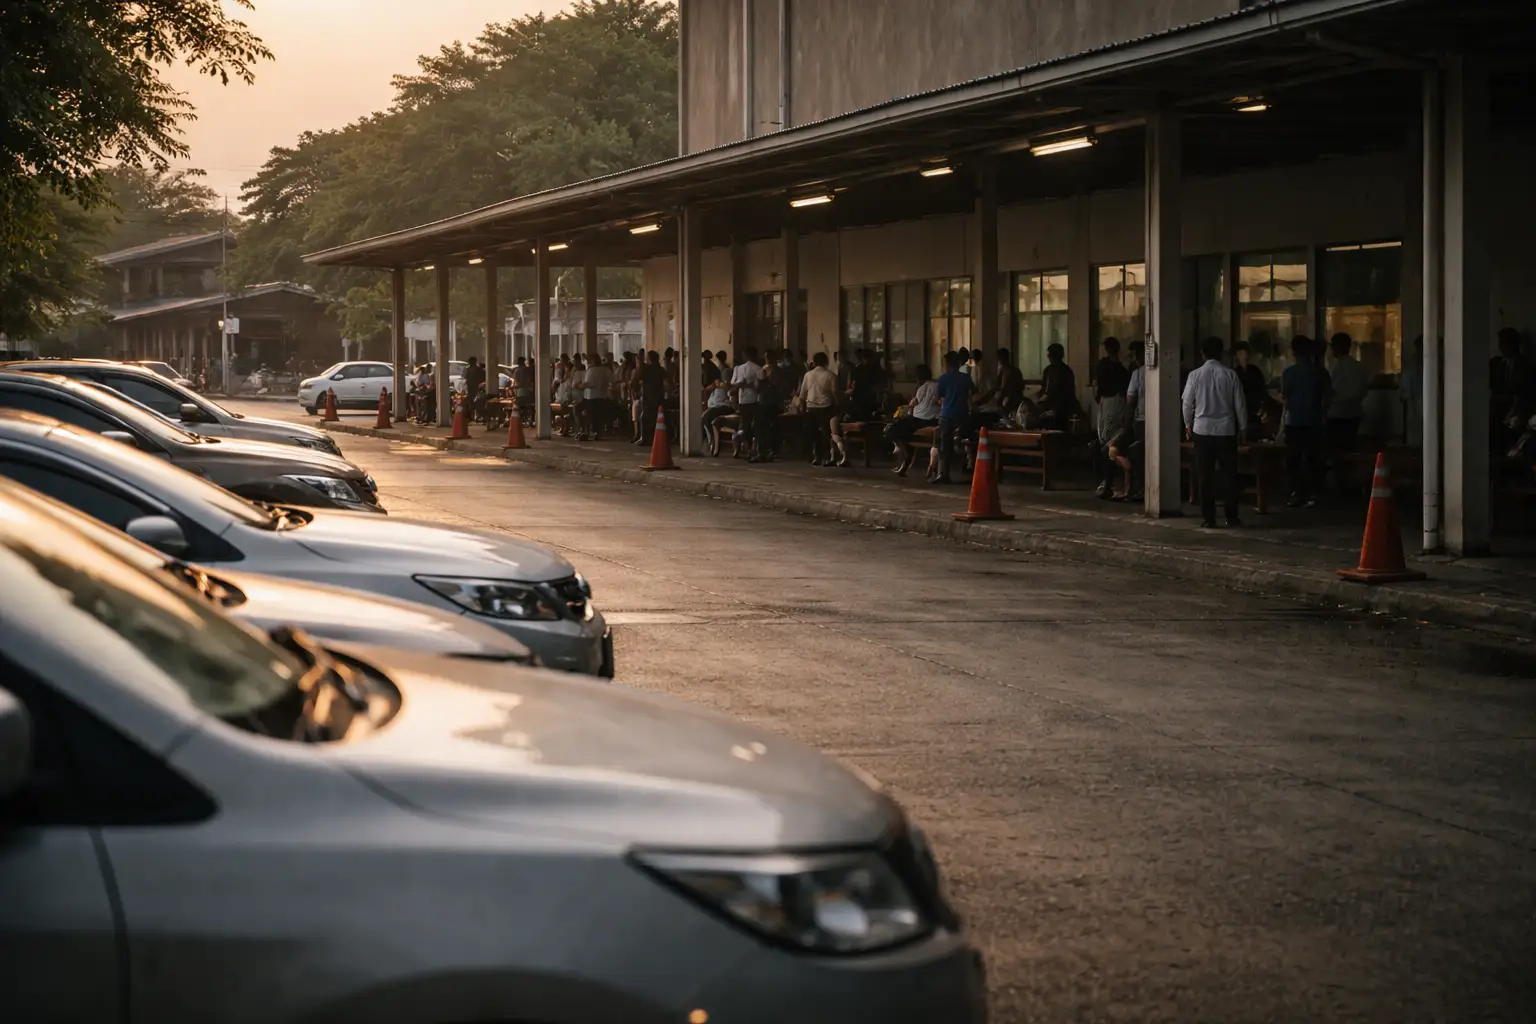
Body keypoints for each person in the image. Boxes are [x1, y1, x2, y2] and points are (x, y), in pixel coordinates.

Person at [1181, 336, 1247, 528]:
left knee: (1205, 475)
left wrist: (1188, 425)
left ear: (1202, 354)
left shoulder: (1194, 375)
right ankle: (1231, 517)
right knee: (1229, 475)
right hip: (1226, 431)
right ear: (1221, 353)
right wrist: (1242, 428)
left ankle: (1208, 518)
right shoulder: (1230, 375)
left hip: (1202, 430)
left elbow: (1187, 403)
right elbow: (1240, 404)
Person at [1280, 335, 1331, 508]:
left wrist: (1281, 426)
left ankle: (1296, 493)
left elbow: (1284, 399)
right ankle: (1314, 493)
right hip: (1314, 421)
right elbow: (1328, 397)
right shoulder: (1320, 372)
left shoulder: (1289, 373)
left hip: (1294, 422)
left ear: (1294, 352)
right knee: (1313, 459)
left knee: (1293, 459)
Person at [1093, 337, 1131, 498]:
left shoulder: (1102, 366)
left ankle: (1108, 482)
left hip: (1107, 405)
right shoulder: (1123, 370)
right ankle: (1111, 481)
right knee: (1114, 441)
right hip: (1121, 406)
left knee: (1106, 443)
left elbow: (1097, 388)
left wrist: (1098, 397)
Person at [886, 364, 938, 477]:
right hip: (930, 419)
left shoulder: (922, 388)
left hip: (920, 419)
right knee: (904, 432)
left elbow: (912, 404)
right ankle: (904, 457)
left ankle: (903, 452)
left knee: (894, 429)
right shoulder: (934, 386)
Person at [933, 350, 972, 485]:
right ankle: (966, 466)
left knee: (944, 445)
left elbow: (939, 398)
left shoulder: (943, 378)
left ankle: (943, 474)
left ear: (947, 364)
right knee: (965, 440)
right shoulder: (966, 378)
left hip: (947, 414)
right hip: (962, 415)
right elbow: (972, 395)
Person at [1326, 332, 1367, 451]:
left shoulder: (1334, 367)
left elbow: (1329, 390)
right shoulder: (1358, 367)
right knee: (1349, 448)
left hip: (1335, 414)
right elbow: (1363, 391)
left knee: (1336, 450)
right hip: (1354, 413)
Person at [797, 351, 839, 465]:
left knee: (814, 434)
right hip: (826, 406)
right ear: (826, 362)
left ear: (814, 362)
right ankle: (827, 457)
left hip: (811, 407)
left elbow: (802, 393)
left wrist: (801, 405)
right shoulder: (831, 375)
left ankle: (816, 456)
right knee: (826, 433)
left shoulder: (808, 375)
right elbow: (835, 392)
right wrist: (838, 404)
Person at [729, 346, 764, 458]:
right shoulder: (759, 369)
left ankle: (739, 440)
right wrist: (750, 385)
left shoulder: (738, 368)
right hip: (755, 400)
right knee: (754, 424)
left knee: (744, 422)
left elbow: (733, 384)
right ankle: (750, 447)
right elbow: (760, 387)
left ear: (744, 356)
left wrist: (742, 385)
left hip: (742, 400)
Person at [1123, 341, 1146, 500]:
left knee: (1138, 453)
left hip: (1141, 420)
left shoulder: (1138, 374)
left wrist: (1127, 421)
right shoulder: (1165, 371)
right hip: (1166, 423)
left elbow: (1131, 400)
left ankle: (1142, 486)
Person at [1037, 343, 1079, 429]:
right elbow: (1045, 389)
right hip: (1054, 407)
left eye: (1050, 354)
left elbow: (1063, 391)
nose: (1048, 356)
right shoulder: (1051, 370)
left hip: (1061, 408)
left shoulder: (1062, 371)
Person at [1232, 342, 1268, 441]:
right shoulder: (1234, 373)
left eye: (1247, 353)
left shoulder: (1255, 371)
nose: (1245, 356)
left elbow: (1262, 389)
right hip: (1239, 412)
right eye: (1242, 354)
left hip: (1254, 411)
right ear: (1237, 356)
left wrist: (1262, 405)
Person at [702, 351, 734, 455]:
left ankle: (712, 441)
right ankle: (711, 440)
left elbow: (728, 386)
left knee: (705, 417)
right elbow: (709, 387)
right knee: (706, 417)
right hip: (716, 403)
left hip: (723, 404)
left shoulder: (725, 372)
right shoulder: (719, 373)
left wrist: (719, 384)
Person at [578, 351, 614, 441]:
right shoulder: (605, 370)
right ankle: (598, 432)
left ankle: (590, 432)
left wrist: (582, 385)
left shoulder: (590, 371)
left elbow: (588, 384)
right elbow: (612, 380)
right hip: (601, 395)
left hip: (591, 396)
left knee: (591, 415)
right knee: (599, 416)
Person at [636, 350, 666, 445]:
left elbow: (638, 379)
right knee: (656, 417)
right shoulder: (661, 369)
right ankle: (655, 437)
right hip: (658, 395)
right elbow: (666, 381)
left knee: (644, 417)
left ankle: (644, 438)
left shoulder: (646, 368)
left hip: (647, 395)